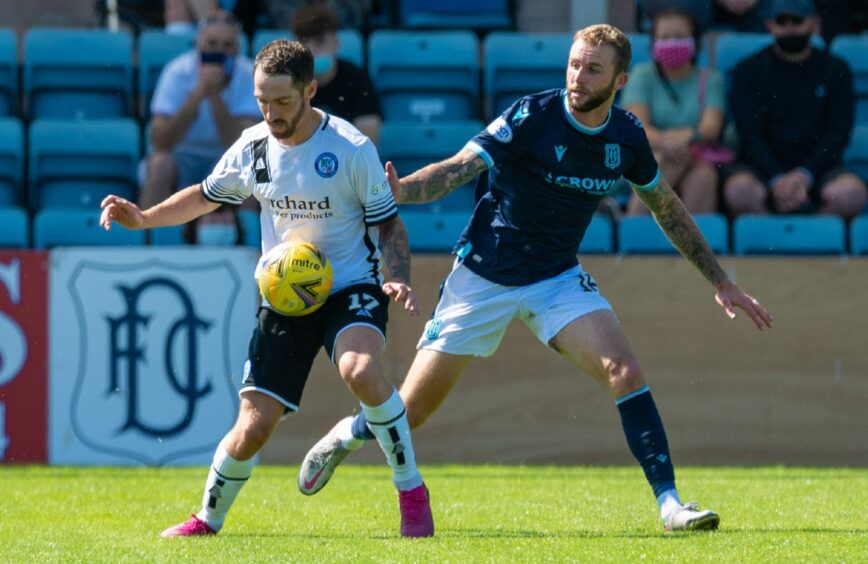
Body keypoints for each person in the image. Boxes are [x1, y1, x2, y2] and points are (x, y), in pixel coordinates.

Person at [297, 23, 774, 533]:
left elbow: (667, 209)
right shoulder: (532, 116)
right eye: (574, 64)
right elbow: (458, 168)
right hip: (483, 274)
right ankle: (348, 434)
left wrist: (720, 281)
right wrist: (403, 190)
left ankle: (670, 506)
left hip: (556, 278)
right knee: (410, 415)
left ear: (619, 81)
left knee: (625, 371)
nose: (578, 77)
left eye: (593, 69)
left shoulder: (627, 137)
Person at [100, 39, 434, 538]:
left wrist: (397, 276)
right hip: (285, 294)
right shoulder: (253, 146)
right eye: (262, 100)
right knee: (254, 425)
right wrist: (146, 217)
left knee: (360, 369)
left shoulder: (350, 149)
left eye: (281, 101)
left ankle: (411, 491)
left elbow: (389, 224)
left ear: (310, 90)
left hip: (351, 284)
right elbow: (207, 196)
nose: (270, 112)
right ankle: (207, 519)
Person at [724, 0, 867, 219]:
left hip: (819, 168)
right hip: (762, 169)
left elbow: (838, 133)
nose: (789, 27)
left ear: (815, 23)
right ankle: (771, 240)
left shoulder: (836, 69)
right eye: (782, 21)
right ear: (770, 25)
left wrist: (804, 175)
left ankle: (815, 239)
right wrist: (777, 178)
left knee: (851, 194)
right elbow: (749, 134)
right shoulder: (749, 69)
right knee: (739, 191)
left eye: (797, 20)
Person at [140, 11, 261, 210]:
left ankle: (248, 237)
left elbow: (243, 146)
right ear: (199, 45)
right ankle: (149, 236)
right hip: (182, 155)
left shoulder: (250, 74)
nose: (219, 52)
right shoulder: (176, 72)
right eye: (212, 44)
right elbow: (160, 141)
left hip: (225, 157)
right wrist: (198, 93)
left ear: (237, 49)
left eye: (227, 45)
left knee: (250, 167)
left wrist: (214, 97)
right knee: (159, 164)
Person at [621, 7, 725, 215]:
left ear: (695, 42)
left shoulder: (711, 79)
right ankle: (636, 230)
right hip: (651, 156)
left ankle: (691, 245)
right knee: (669, 159)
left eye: (679, 37)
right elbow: (637, 127)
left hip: (697, 157)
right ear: (653, 43)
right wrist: (669, 142)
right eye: (665, 37)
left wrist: (685, 137)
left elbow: (711, 127)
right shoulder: (642, 75)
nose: (672, 43)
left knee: (705, 176)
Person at [291, 4, 382, 145]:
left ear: (336, 42)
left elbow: (369, 140)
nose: (311, 50)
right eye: (304, 42)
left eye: (319, 41)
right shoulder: (287, 82)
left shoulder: (357, 79)